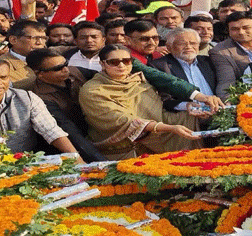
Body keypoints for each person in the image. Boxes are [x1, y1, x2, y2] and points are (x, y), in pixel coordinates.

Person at [79, 45, 221, 159]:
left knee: (190, 118)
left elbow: (159, 111)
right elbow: (123, 121)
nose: (121, 66)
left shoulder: (139, 81)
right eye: (114, 62)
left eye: (126, 61)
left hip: (157, 132)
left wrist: (189, 109)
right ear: (102, 64)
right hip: (122, 148)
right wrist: (170, 128)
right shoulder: (92, 90)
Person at [25, 48, 105, 162]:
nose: (66, 69)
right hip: (64, 146)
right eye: (58, 68)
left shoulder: (76, 72)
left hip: (92, 131)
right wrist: (102, 163)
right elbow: (69, 130)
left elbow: (106, 78)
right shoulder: (39, 97)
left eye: (65, 64)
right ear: (39, 74)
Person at [148, 28, 217, 111]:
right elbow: (164, 99)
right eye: (182, 43)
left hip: (217, 111)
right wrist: (186, 106)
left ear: (199, 46)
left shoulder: (209, 62)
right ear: (169, 47)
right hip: (186, 116)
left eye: (193, 43)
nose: (188, 47)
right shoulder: (159, 66)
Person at [210, 11, 252, 96]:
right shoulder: (220, 51)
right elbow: (226, 83)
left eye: (246, 28)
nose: (241, 32)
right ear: (228, 31)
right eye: (235, 29)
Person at [0, 20, 47, 90]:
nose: (39, 43)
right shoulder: (0, 65)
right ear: (13, 40)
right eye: (34, 38)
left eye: (43, 38)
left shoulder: (50, 60)